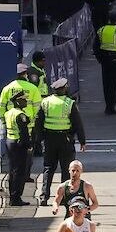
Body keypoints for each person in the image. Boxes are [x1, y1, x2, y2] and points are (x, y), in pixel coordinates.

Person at [34, 78, 87, 207]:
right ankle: (64, 197)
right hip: (65, 140)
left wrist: (38, 140)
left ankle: (44, 196)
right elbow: (77, 124)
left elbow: (38, 123)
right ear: (64, 89)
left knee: (48, 168)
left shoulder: (45, 102)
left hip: (49, 139)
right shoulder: (69, 103)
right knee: (66, 169)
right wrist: (82, 141)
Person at [94, 10, 116, 115]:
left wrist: (99, 59)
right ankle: (111, 106)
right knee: (114, 84)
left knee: (106, 83)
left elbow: (95, 46)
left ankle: (108, 106)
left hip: (104, 61)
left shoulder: (101, 30)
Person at [3, 89, 33, 206]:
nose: (26, 102)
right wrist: (29, 145)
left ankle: (12, 196)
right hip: (19, 144)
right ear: (18, 102)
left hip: (10, 141)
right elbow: (24, 133)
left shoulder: (8, 113)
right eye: (24, 100)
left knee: (12, 170)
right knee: (20, 172)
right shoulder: (20, 115)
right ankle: (16, 198)